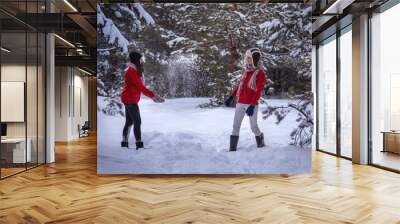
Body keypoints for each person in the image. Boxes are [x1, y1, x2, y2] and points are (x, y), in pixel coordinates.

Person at [225, 48, 267, 151]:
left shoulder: (260, 73)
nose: (247, 60)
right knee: (235, 126)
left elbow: (258, 91)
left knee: (253, 127)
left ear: (254, 59)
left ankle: (261, 142)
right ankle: (232, 149)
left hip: (251, 104)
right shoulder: (246, 71)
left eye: (249, 58)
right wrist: (231, 96)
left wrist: (252, 105)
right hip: (240, 102)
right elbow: (240, 84)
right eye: (246, 58)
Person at [121, 51, 164, 149]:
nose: (142, 61)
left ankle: (124, 143)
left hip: (129, 98)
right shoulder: (132, 71)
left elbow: (140, 86)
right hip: (130, 99)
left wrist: (153, 96)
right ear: (136, 60)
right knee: (137, 121)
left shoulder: (134, 70)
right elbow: (141, 87)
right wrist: (154, 96)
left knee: (129, 122)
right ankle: (139, 145)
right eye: (140, 59)